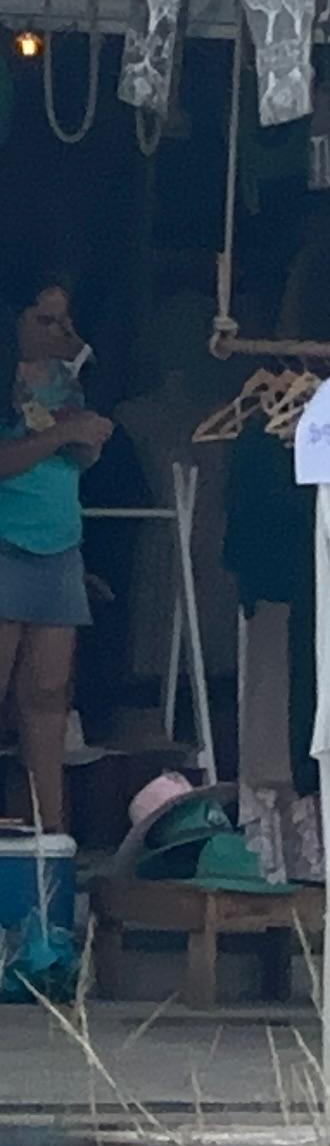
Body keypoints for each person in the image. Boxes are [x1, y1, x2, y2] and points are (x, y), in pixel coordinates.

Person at [0, 278, 113, 832]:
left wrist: (85, 440)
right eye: (45, 321)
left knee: (48, 698)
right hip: (5, 540)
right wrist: (59, 436)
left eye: (64, 321)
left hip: (60, 541)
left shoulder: (68, 383)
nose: (60, 333)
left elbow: (75, 463)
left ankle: (51, 839)